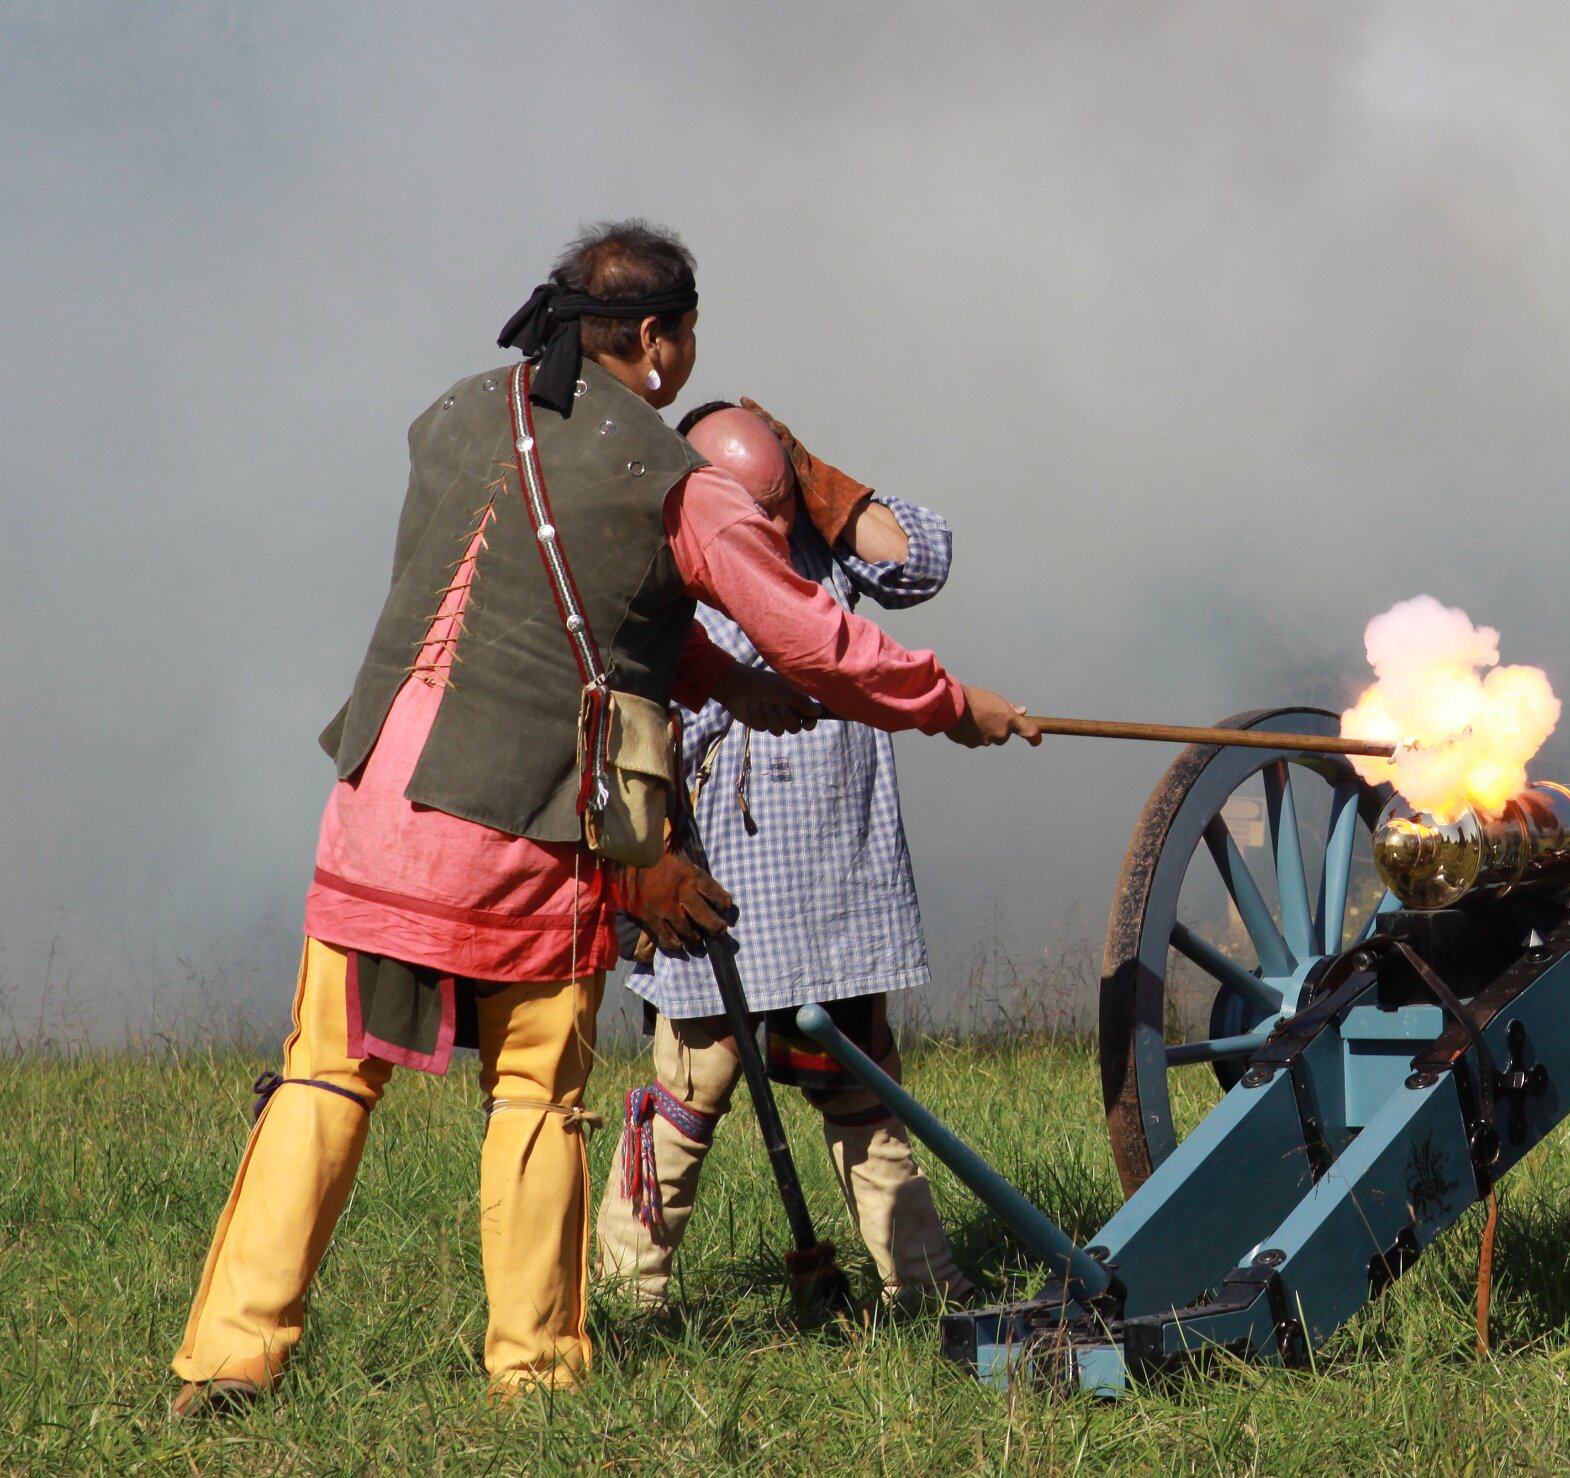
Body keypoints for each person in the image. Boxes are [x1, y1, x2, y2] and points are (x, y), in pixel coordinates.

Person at [169, 221, 1039, 1414]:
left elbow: (542, 596)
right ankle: (532, 1375)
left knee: (323, 1079)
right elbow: (814, 638)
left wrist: (716, 679)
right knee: (535, 1097)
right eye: (687, 335)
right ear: (659, 341)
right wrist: (948, 703)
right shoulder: (683, 485)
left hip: (376, 809)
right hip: (521, 825)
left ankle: (230, 1357)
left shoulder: (453, 414)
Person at [595, 402, 973, 1309]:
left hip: (838, 867)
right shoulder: (659, 560)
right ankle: (624, 1296)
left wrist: (827, 495)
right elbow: (610, 718)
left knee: (856, 1082)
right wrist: (637, 859)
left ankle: (927, 1292)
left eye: (778, 503)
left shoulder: (820, 541)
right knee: (695, 1078)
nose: (766, 527)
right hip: (713, 868)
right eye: (749, 507)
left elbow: (922, 562)